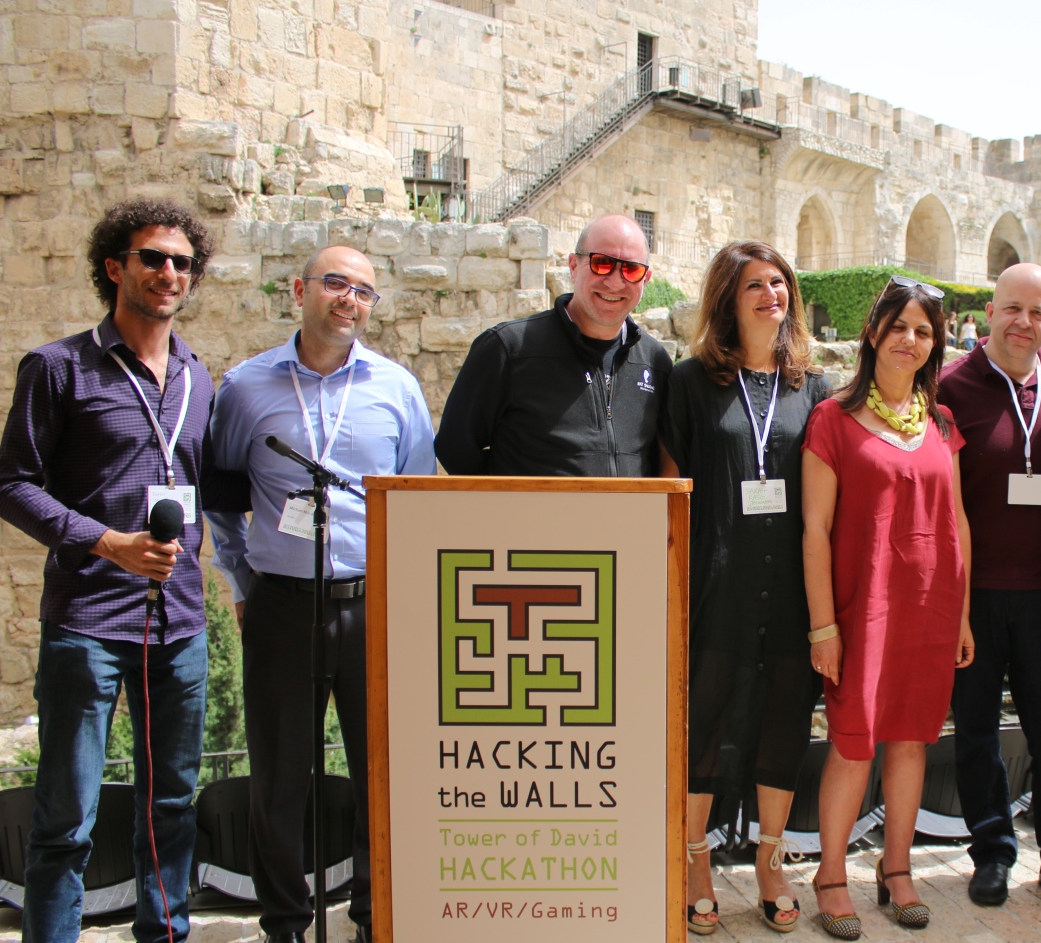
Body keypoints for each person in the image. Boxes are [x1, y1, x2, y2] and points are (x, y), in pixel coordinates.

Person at [0, 199, 223, 943]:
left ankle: (165, 934)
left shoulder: (197, 375)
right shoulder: (58, 367)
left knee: (172, 808)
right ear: (114, 267)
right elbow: (13, 484)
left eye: (182, 262)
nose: (168, 273)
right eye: (151, 258)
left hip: (179, 622)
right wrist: (105, 542)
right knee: (66, 816)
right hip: (88, 621)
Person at [206, 246, 436, 943]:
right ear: (299, 290)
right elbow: (222, 499)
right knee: (278, 780)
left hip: (375, 607)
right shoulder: (244, 388)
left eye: (363, 290)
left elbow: (418, 498)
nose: (349, 299)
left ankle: (374, 918)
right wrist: (242, 583)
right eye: (335, 283)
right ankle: (283, 924)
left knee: (382, 775)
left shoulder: (397, 388)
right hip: (281, 605)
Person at [658, 240, 828, 935]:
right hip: (715, 585)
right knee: (705, 722)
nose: (770, 295)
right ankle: (694, 860)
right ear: (728, 297)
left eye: (779, 283)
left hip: (790, 590)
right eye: (755, 284)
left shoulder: (812, 387)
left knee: (784, 720)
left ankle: (769, 860)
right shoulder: (690, 382)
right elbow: (669, 490)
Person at [801, 276, 974, 940]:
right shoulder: (833, 419)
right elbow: (814, 529)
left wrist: (961, 615)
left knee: (911, 740)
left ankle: (896, 868)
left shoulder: (941, 423)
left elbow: (957, 523)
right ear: (873, 332)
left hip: (930, 611)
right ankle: (830, 875)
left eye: (924, 331)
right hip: (861, 611)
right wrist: (823, 626)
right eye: (898, 325)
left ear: (936, 345)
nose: (910, 339)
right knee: (852, 743)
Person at [938, 264, 1041, 908]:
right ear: (989, 312)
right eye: (1013, 308)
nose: (1023, 322)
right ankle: (992, 853)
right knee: (977, 731)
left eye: (1038, 313)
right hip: (973, 595)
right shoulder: (950, 387)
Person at [434, 213, 673, 476]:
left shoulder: (655, 362)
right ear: (573, 266)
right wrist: (512, 497)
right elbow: (454, 449)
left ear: (645, 279)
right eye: (602, 263)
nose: (615, 282)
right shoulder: (509, 349)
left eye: (631, 269)